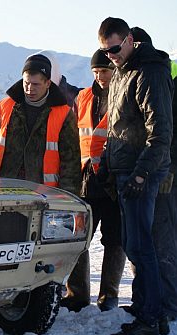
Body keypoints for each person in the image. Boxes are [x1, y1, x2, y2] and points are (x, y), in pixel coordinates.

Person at [97, 17, 173, 335]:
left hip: (142, 172)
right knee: (133, 244)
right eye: (105, 51)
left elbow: (161, 131)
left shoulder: (149, 71)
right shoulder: (123, 72)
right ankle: (147, 306)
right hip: (125, 169)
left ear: (129, 40)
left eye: (115, 48)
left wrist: (142, 173)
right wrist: (105, 162)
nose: (111, 55)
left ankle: (150, 318)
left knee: (142, 246)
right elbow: (118, 128)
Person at [60, 50, 126, 313]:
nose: (100, 77)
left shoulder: (124, 95)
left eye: (105, 71)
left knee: (114, 239)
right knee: (79, 240)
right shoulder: (83, 97)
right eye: (96, 72)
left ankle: (109, 294)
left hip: (112, 181)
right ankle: (76, 294)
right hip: (85, 178)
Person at [0, 53, 81, 195]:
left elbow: (70, 162)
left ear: (48, 83)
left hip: (42, 195)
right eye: (26, 83)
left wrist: (67, 196)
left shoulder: (63, 114)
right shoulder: (5, 107)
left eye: (35, 84)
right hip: (2, 189)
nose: (30, 89)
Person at [121, 26, 177, 323]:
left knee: (159, 242)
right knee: (142, 242)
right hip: (154, 166)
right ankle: (144, 300)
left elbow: (164, 131)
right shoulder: (146, 74)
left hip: (164, 172)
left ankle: (166, 307)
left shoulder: (157, 75)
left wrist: (157, 167)